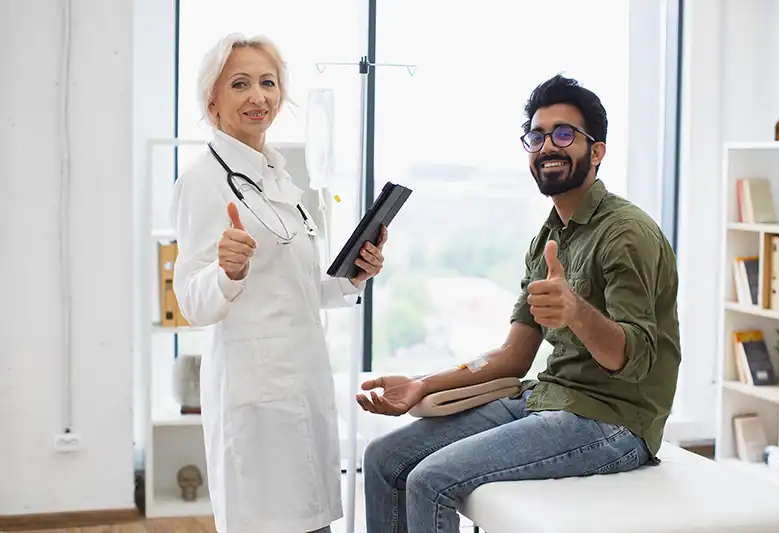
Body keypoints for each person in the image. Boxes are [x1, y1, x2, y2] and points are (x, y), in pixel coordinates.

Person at [357, 74, 681, 533]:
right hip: (547, 399)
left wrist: (577, 312)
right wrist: (419, 384)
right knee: (385, 458)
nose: (548, 145)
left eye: (565, 134)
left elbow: (635, 361)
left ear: (598, 150)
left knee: (431, 480)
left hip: (615, 421)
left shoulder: (625, 234)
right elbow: (512, 357)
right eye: (537, 136)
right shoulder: (547, 238)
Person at [171, 33, 388, 533]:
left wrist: (355, 275)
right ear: (213, 100)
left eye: (268, 83)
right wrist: (226, 272)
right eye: (240, 84)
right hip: (256, 396)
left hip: (302, 384)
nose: (258, 96)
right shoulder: (202, 182)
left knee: (313, 523)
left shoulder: (282, 180)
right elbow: (192, 304)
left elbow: (303, 288)